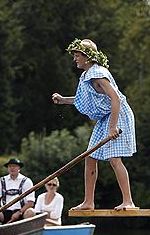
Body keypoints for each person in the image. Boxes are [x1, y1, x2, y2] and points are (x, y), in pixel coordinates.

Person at [52, 38, 137, 211]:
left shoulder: (97, 73)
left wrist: (113, 127)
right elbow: (84, 100)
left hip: (117, 114)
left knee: (114, 158)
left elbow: (116, 99)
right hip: (106, 117)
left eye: (77, 55)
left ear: (87, 57)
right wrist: (63, 100)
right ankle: (88, 202)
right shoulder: (87, 75)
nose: (75, 58)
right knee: (90, 158)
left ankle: (128, 201)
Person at [0, 158, 36, 225]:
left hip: (22, 212)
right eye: (10, 166)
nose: (12, 168)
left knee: (31, 212)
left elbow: (30, 203)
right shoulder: (1, 181)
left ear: (19, 168)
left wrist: (19, 212)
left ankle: (26, 231)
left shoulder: (27, 181)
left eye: (14, 166)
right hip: (5, 213)